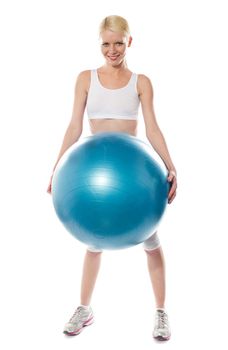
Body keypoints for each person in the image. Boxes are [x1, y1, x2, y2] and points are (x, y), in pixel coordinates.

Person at [47, 15, 177, 341]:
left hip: (133, 177)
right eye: (106, 43)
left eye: (119, 42)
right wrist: (56, 168)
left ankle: (161, 313)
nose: (112, 49)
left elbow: (153, 129)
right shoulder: (85, 79)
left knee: (152, 241)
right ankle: (84, 308)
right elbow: (74, 126)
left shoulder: (141, 82)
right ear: (99, 44)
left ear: (129, 42)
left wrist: (170, 166)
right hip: (92, 178)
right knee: (92, 242)